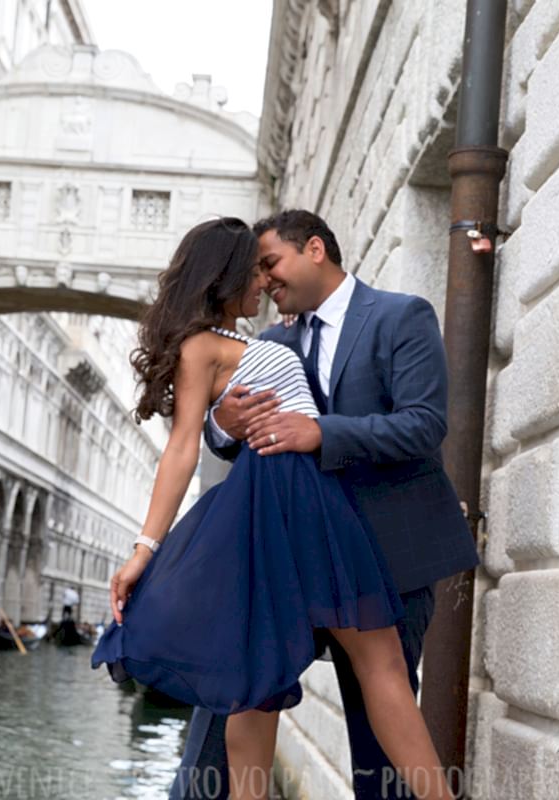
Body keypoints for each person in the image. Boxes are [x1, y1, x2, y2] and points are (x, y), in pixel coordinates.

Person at [91, 217, 456, 800]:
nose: (262, 281)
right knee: (289, 675)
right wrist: (145, 548)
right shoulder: (213, 347)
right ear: (227, 275)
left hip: (332, 515)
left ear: (313, 250)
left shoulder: (303, 333)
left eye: (270, 265)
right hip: (289, 503)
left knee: (280, 678)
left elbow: (423, 423)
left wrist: (310, 430)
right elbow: (186, 446)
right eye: (253, 270)